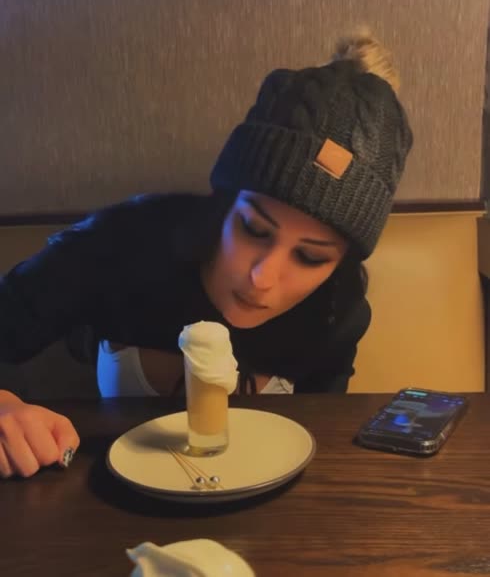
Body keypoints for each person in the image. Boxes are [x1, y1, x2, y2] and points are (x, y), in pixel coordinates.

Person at [0, 29, 413, 478]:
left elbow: (321, 435)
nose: (263, 277)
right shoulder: (125, 243)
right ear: (224, 203)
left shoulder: (335, 310)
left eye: (310, 258)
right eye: (253, 229)